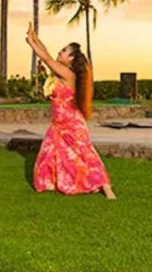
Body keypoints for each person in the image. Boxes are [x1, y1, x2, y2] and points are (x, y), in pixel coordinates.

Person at [25, 22, 115, 199]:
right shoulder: (62, 71)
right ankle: (53, 183)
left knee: (86, 155)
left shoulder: (67, 74)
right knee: (48, 155)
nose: (60, 52)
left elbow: (47, 59)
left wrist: (30, 42)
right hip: (58, 125)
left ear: (72, 58)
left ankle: (106, 186)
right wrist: (35, 38)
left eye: (64, 51)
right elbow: (49, 55)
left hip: (72, 125)